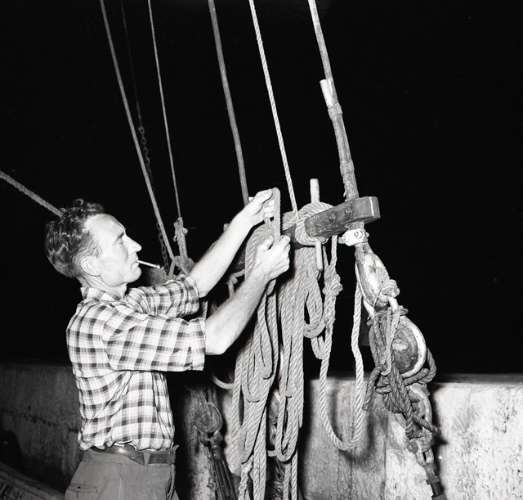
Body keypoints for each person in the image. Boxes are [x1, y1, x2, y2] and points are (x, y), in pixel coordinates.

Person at [44, 190, 290, 500]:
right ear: (92, 265)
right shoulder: (101, 322)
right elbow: (215, 339)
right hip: (121, 482)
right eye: (120, 241)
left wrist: (246, 219)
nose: (135, 245)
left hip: (150, 473)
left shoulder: (129, 305)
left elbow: (194, 286)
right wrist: (261, 274)